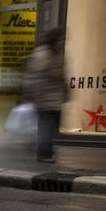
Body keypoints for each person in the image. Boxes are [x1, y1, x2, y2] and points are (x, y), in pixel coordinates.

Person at [22, 29, 67, 164]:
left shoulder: (55, 54)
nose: (62, 42)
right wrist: (35, 96)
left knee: (50, 126)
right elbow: (36, 77)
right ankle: (43, 153)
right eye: (60, 40)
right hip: (45, 98)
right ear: (53, 40)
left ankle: (45, 150)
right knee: (46, 126)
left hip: (53, 98)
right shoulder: (43, 55)